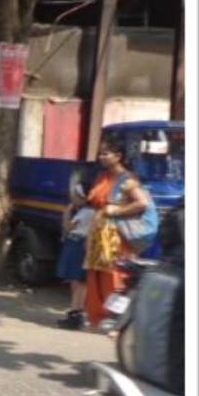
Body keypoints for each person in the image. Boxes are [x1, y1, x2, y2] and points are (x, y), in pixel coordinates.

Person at [84, 138, 158, 331]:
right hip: (99, 233)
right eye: (100, 153)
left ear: (118, 157)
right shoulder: (102, 176)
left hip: (117, 236)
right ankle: (99, 318)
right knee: (96, 276)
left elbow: (142, 203)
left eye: (105, 153)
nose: (101, 157)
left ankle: (119, 320)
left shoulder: (128, 180)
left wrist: (116, 211)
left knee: (115, 276)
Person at [55, 182, 96, 330]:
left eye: (75, 195)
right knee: (79, 283)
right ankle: (77, 314)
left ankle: (75, 314)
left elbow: (68, 227)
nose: (72, 197)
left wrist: (67, 211)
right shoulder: (89, 211)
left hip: (78, 245)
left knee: (77, 282)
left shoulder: (86, 212)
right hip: (79, 245)